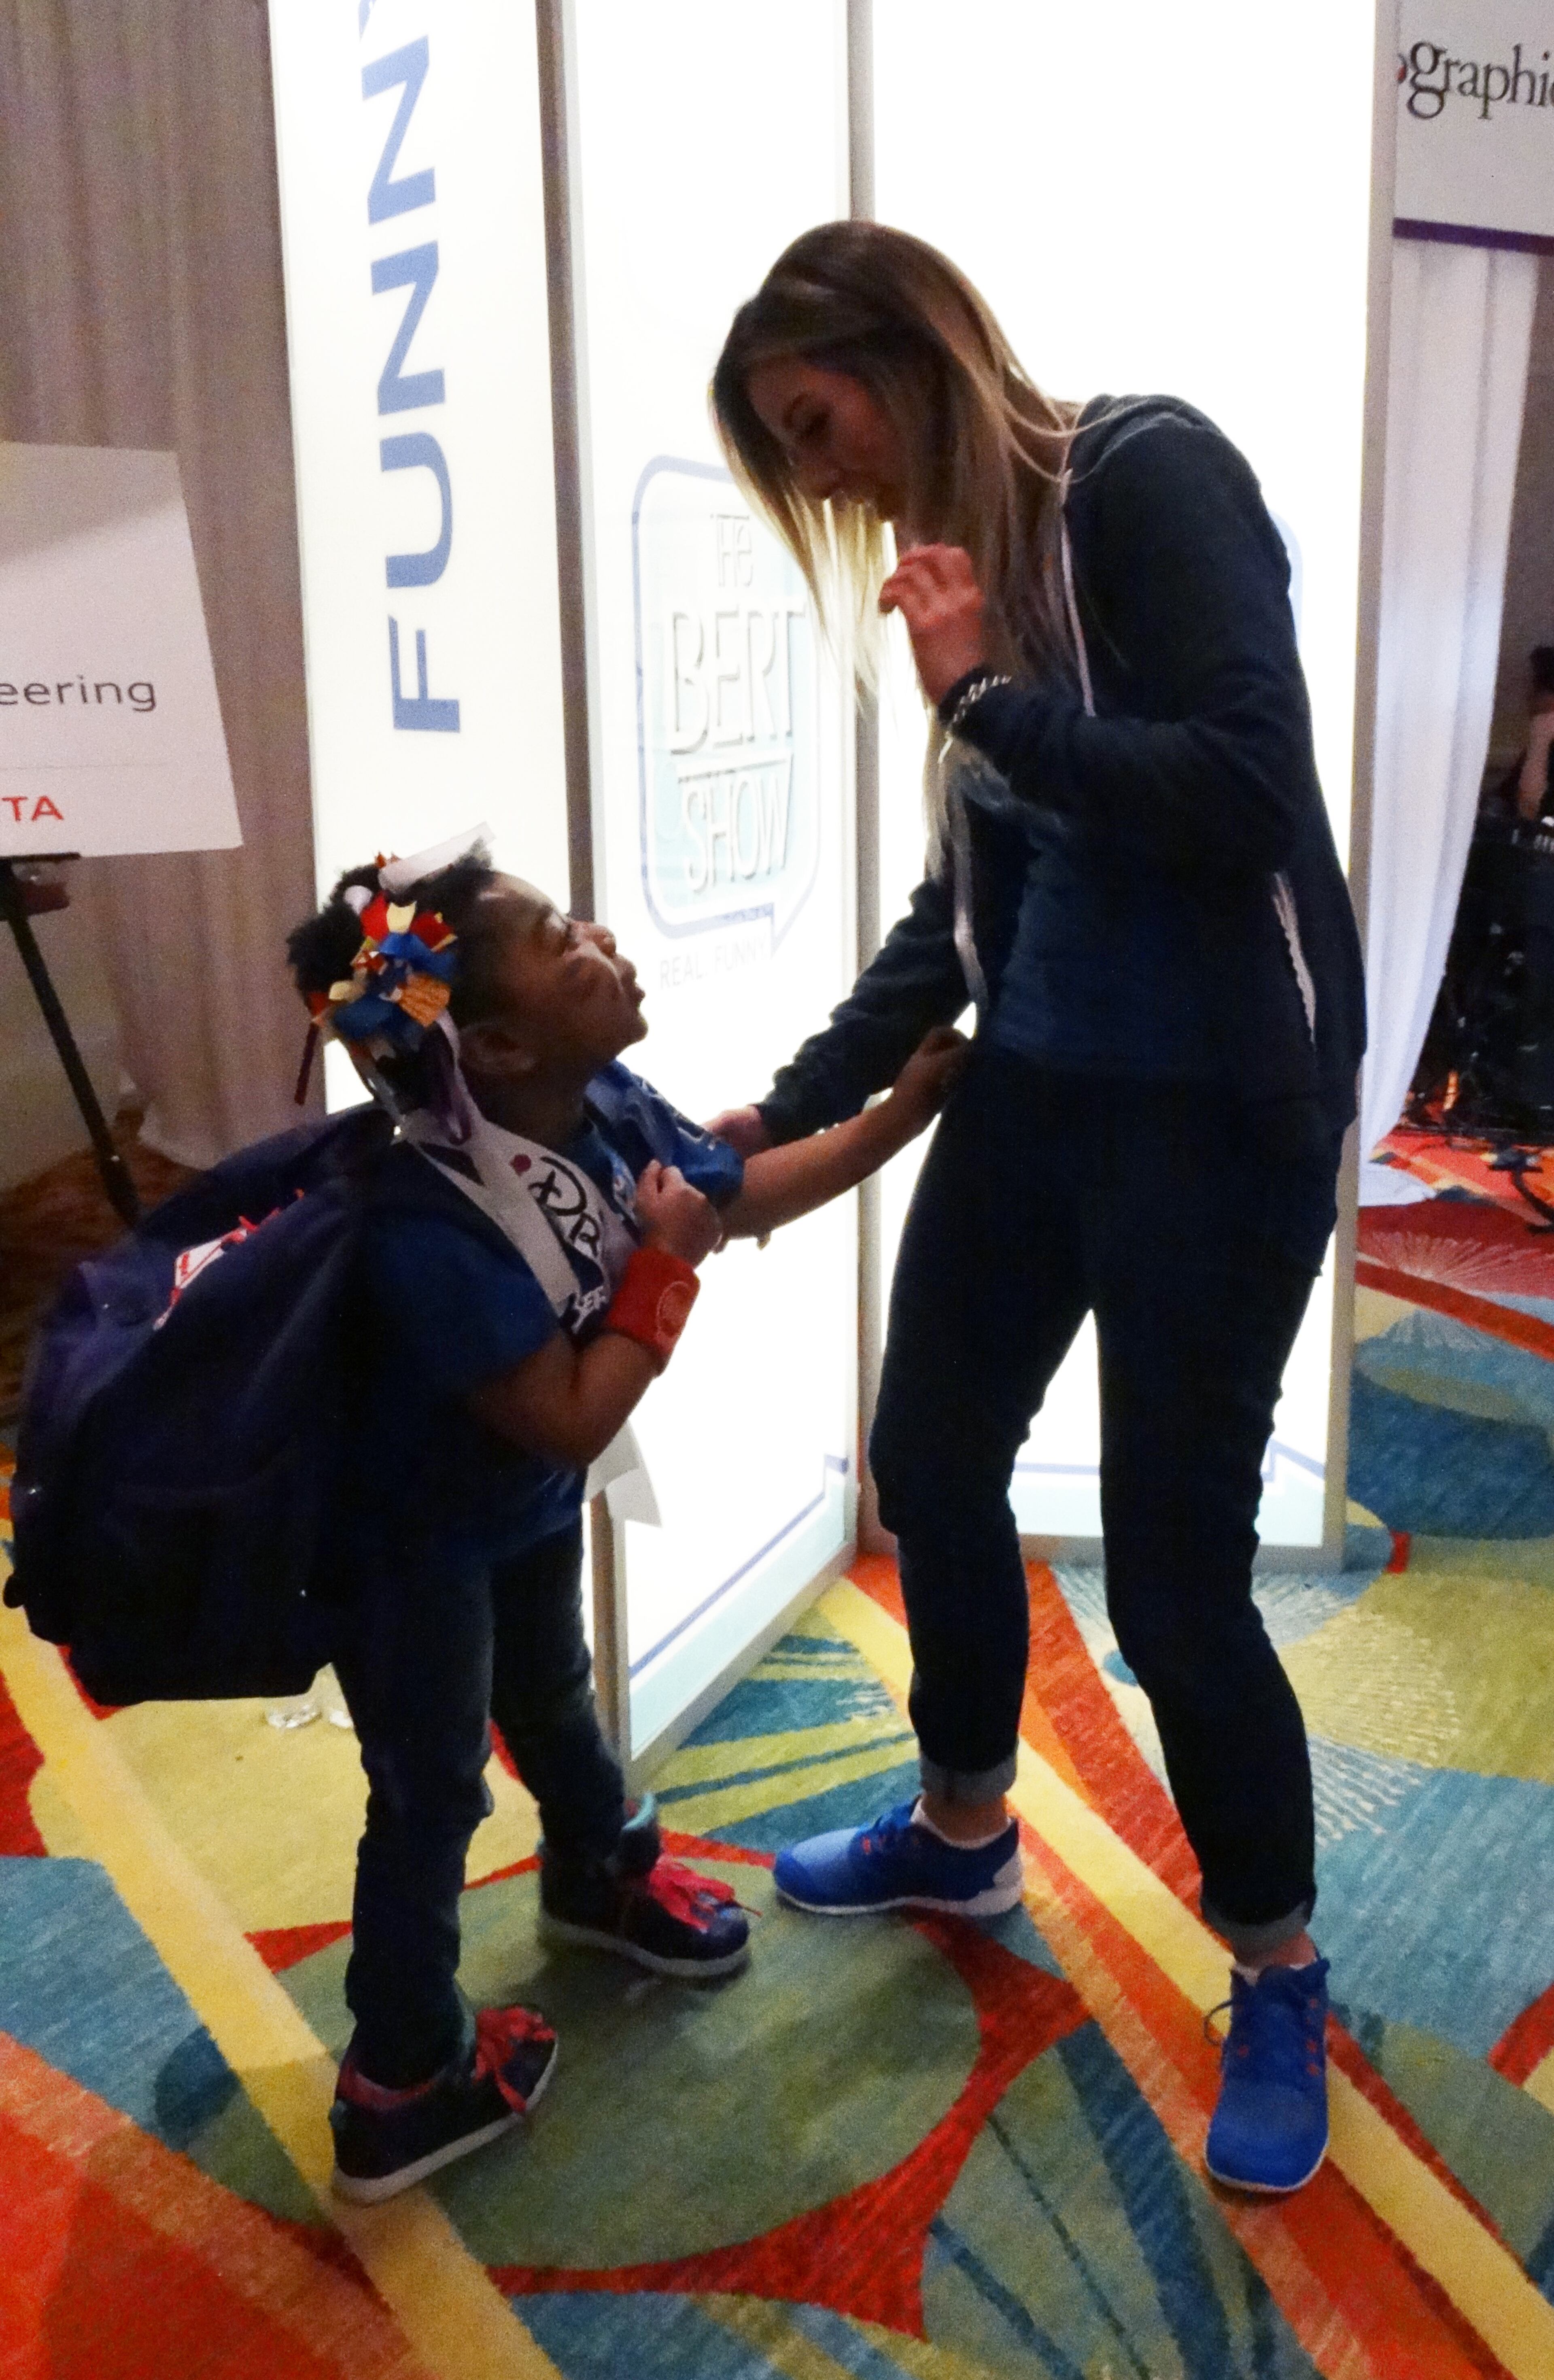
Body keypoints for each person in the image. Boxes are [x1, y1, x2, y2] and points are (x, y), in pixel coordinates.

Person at [707, 222, 1366, 2196]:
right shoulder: (962, 592)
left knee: (1173, 1582)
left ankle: (1277, 1960)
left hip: (1216, 1121)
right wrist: (779, 1117)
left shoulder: (1147, 478)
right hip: (1038, 1093)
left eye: (815, 425)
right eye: (788, 453)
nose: (821, 480)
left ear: (903, 353)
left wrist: (985, 696)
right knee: (932, 1460)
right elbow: (963, 918)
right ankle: (967, 1824)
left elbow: (1245, 788)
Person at [285, 837, 962, 2202]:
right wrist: (663, 1272)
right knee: (428, 1793)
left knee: (551, 1685)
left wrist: (893, 1119)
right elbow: (574, 1413)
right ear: (492, 1045)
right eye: (560, 942)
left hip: (510, 1506)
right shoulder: (422, 1222)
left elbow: (734, 1187)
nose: (600, 935)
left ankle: (598, 1870)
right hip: (401, 1543)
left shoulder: (594, 1107)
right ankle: (401, 2080)